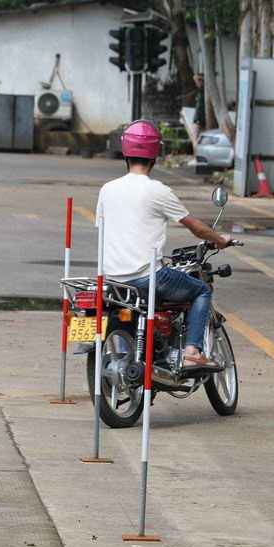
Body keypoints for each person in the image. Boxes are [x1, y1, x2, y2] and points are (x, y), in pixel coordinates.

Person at [96, 120, 229, 370]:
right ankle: (191, 352)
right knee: (201, 291)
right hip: (145, 277)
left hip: (111, 279)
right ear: (154, 157)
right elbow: (196, 228)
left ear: (125, 152)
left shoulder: (107, 190)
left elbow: (104, 227)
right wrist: (220, 239)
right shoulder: (158, 191)